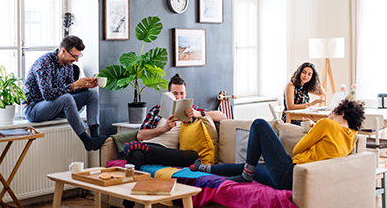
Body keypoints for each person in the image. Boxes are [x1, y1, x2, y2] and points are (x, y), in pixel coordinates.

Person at [190, 99, 365, 190]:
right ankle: (203, 168)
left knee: (259, 124)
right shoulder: (352, 137)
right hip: (295, 182)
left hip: (290, 172)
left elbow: (297, 149)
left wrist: (316, 127)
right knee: (249, 168)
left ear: (340, 111)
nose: (329, 115)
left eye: (332, 113)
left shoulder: (327, 124)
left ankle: (245, 174)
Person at [123, 73, 227, 170]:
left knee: (192, 156)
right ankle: (128, 184)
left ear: (185, 94)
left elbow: (222, 116)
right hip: (149, 145)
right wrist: (163, 129)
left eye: (181, 93)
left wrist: (199, 114)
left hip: (169, 153)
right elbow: (140, 136)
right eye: (175, 93)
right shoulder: (156, 110)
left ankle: (140, 147)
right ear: (169, 94)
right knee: (135, 155)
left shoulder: (192, 110)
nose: (178, 97)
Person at [22, 35, 108, 151]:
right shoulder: (44, 64)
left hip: (55, 106)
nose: (76, 60)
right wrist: (74, 85)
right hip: (34, 108)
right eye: (74, 56)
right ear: (63, 51)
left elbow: (70, 89)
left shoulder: (67, 65)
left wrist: (85, 86)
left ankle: (94, 136)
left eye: (78, 57)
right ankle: (86, 141)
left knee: (91, 95)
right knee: (66, 98)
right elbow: (47, 95)